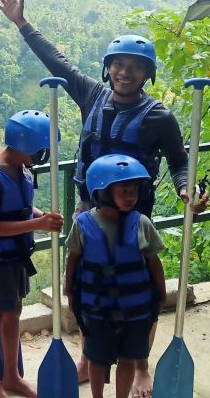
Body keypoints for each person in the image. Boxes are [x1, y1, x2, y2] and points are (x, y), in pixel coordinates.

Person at [0, 0, 208, 398]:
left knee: (139, 288)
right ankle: (91, 357)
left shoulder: (158, 117)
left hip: (135, 214)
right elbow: (56, 59)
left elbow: (180, 161)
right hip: (88, 209)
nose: (125, 72)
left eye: (135, 66)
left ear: (147, 73)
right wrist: (21, 23)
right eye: (119, 65)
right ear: (108, 67)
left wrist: (186, 191)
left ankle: (139, 365)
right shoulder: (92, 94)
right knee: (89, 283)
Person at [0, 109, 65, 398]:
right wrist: (38, 223)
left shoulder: (20, 170)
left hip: (16, 258)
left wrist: (41, 215)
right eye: (41, 148)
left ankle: (11, 376)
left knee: (13, 313)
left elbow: (20, 207)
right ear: (26, 146)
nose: (43, 154)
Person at [63, 154, 167, 398]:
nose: (131, 196)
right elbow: (73, 258)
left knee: (127, 358)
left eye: (134, 190)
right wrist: (69, 291)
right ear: (102, 192)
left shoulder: (142, 223)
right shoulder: (83, 224)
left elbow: (154, 262)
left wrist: (160, 295)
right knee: (97, 360)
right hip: (97, 308)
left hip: (134, 309)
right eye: (123, 190)